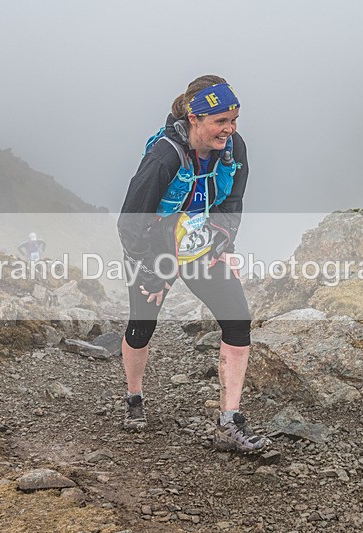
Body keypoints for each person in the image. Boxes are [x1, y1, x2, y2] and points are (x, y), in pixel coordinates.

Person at [117, 75, 268, 453]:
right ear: (195, 118)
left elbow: (232, 201)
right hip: (155, 249)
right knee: (142, 325)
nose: (229, 129)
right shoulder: (165, 156)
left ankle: (229, 420)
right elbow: (131, 221)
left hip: (201, 244)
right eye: (221, 121)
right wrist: (149, 270)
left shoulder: (234, 148)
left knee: (238, 321)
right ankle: (134, 397)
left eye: (234, 120)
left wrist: (223, 241)